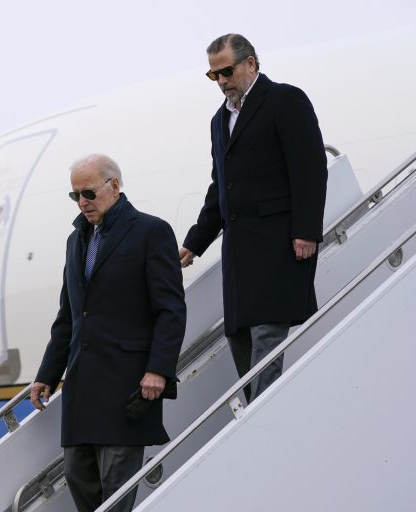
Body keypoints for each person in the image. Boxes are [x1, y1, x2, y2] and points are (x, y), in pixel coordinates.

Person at [30, 154, 186, 512]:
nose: (82, 203)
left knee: (116, 493)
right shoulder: (75, 241)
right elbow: (69, 316)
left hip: (127, 386)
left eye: (88, 193)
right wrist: (47, 375)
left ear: (114, 186)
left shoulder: (150, 231)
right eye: (75, 196)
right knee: (77, 477)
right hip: (82, 388)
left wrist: (159, 369)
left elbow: (170, 309)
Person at [179, 34, 327, 403]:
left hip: (278, 245)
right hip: (239, 254)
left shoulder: (284, 100)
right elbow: (221, 187)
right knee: (240, 340)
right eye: (214, 75)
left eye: (227, 71)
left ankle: (264, 415)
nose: (221, 81)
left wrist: (306, 231)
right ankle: (258, 414)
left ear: (251, 64)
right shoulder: (219, 120)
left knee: (266, 337)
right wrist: (194, 243)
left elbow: (309, 169)